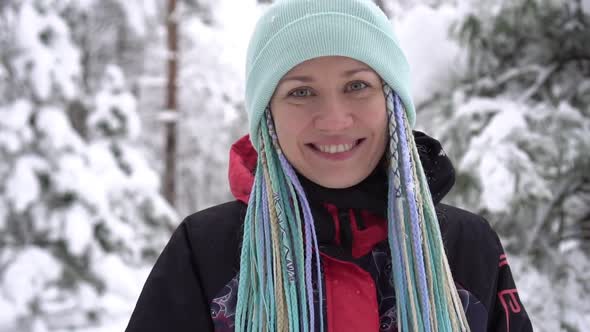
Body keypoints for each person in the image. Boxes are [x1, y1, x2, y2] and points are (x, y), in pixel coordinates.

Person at [126, 0, 533, 331]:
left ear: (391, 101)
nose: (334, 118)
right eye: (301, 91)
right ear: (267, 118)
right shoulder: (205, 251)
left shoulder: (465, 246)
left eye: (357, 85)